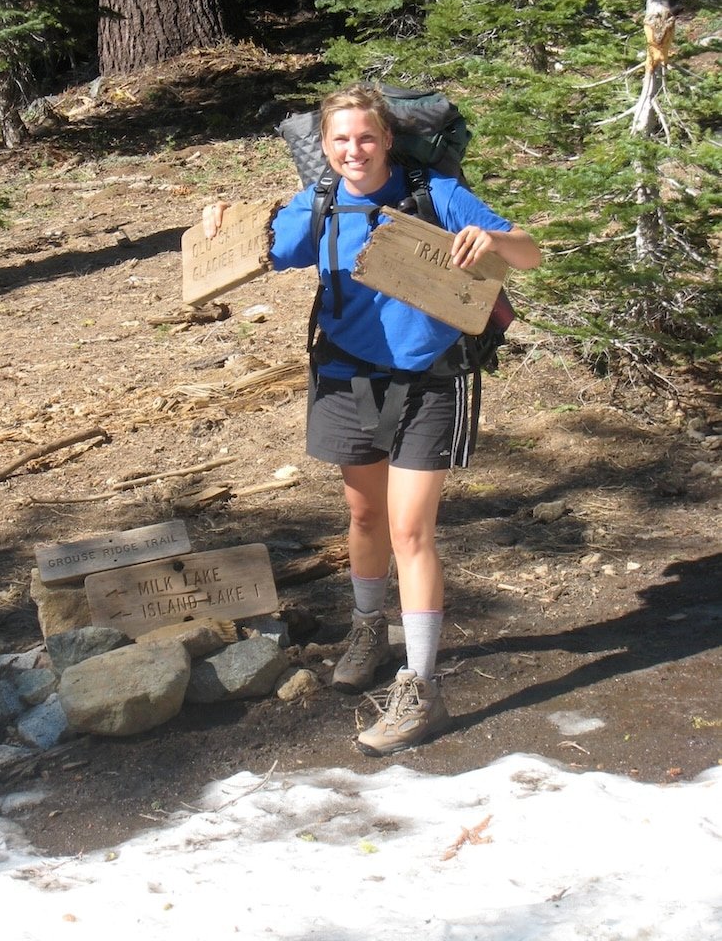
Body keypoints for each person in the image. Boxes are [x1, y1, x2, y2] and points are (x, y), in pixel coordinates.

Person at [203, 84, 541, 756]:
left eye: (365, 138)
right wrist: (221, 221)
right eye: (339, 141)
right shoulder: (321, 203)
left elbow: (528, 253)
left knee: (410, 530)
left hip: (428, 378)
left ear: (387, 140)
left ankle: (420, 685)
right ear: (325, 148)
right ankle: (367, 626)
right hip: (346, 375)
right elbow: (260, 249)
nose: (353, 150)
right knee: (363, 518)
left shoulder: (434, 194)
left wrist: (491, 238)